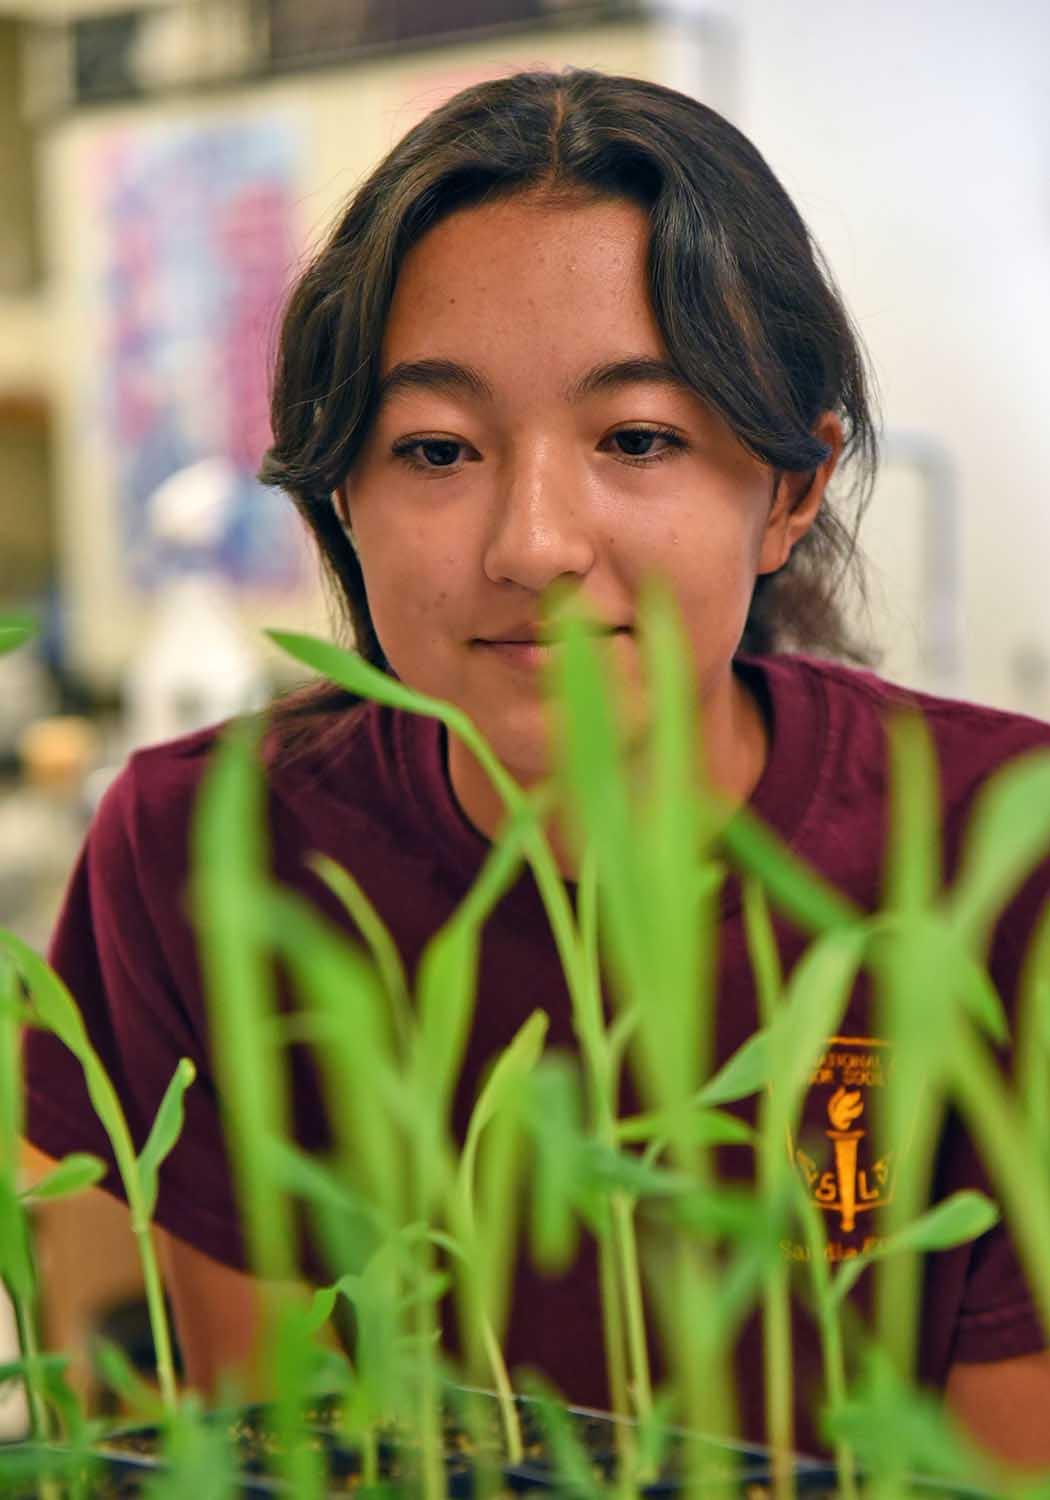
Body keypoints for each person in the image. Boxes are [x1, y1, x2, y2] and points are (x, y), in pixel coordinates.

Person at [22, 69, 1050, 1464]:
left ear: (790, 490)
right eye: (435, 449)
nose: (532, 544)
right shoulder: (205, 856)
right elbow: (206, 1443)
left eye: (637, 439)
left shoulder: (1000, 857)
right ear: (341, 490)